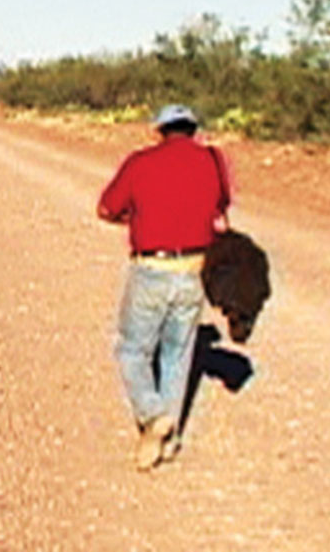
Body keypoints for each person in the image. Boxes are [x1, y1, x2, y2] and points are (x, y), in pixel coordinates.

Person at [96, 103, 231, 470]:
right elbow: (221, 208)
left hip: (151, 268)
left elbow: (107, 208)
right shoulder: (213, 161)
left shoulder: (141, 163)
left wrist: (138, 219)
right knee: (178, 355)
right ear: (193, 129)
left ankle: (154, 416)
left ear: (159, 130)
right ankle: (168, 442)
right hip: (195, 269)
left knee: (132, 351)